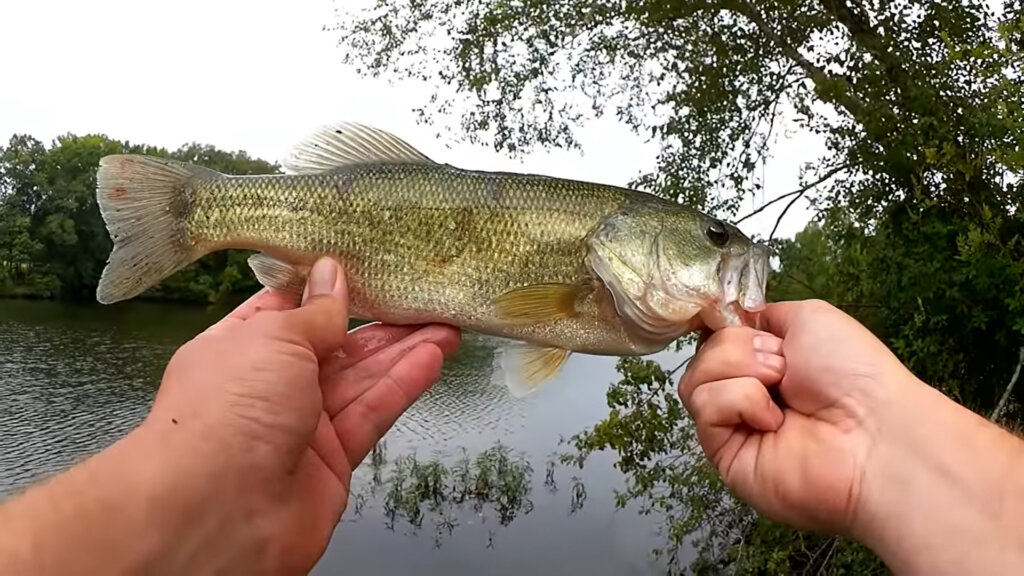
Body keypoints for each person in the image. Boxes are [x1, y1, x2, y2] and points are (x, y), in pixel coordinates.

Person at [0, 256, 1021, 574]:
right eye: (707, 242)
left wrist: (880, 441)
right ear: (627, 247)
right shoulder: (593, 294)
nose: (732, 264)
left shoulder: (602, 304)